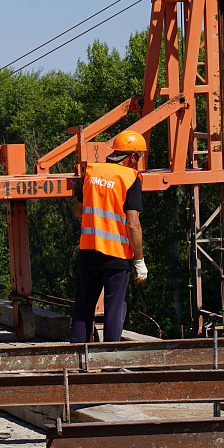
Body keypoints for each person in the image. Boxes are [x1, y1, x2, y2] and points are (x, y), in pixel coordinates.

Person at [71, 130, 149, 344]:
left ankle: (75, 357)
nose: (138, 162)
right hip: (116, 255)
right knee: (114, 309)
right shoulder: (130, 178)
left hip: (89, 251)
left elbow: (78, 210)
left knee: (83, 307)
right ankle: (110, 359)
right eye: (139, 157)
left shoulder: (92, 172)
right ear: (132, 156)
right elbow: (133, 224)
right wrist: (140, 260)